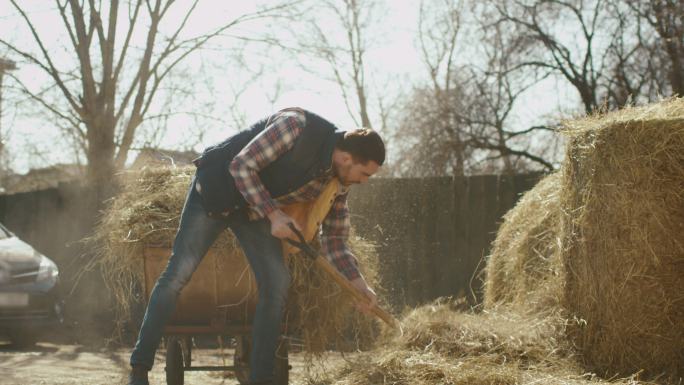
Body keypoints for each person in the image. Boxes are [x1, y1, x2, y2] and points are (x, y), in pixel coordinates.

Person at [127, 107, 385, 385]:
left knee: (276, 284)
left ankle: (260, 379)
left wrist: (358, 283)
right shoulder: (296, 127)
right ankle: (139, 369)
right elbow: (241, 165)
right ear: (347, 158)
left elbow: (334, 240)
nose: (364, 181)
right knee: (177, 275)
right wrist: (274, 215)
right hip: (214, 194)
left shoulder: (338, 183)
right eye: (365, 173)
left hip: (252, 210)